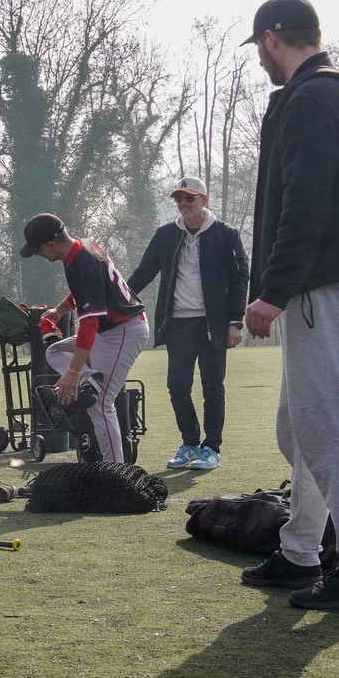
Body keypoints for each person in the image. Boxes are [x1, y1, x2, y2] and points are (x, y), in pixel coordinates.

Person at [236, 0, 339, 611]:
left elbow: (306, 204)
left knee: (329, 428)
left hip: (316, 285)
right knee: (301, 427)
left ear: (273, 39)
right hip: (323, 283)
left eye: (261, 51)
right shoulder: (332, 93)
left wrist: (272, 290)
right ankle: (302, 550)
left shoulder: (313, 97)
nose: (262, 64)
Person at [126, 176, 250, 471]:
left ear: (203, 201)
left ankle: (211, 448)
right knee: (177, 385)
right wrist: (120, 298)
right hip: (178, 324)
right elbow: (145, 271)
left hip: (213, 326)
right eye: (179, 199)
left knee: (212, 388)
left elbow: (240, 278)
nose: (183, 204)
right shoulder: (166, 234)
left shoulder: (226, 235)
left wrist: (236, 322)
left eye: (189, 199)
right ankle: (190, 443)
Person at [20, 213, 149, 464]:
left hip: (123, 331)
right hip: (109, 331)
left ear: (52, 245)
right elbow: (82, 292)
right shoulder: (81, 247)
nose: (38, 255)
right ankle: (93, 380)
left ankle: (116, 471)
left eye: (38, 250)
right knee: (54, 352)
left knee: (100, 405)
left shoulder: (82, 263)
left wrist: (74, 372)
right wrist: (59, 310)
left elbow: (90, 323)